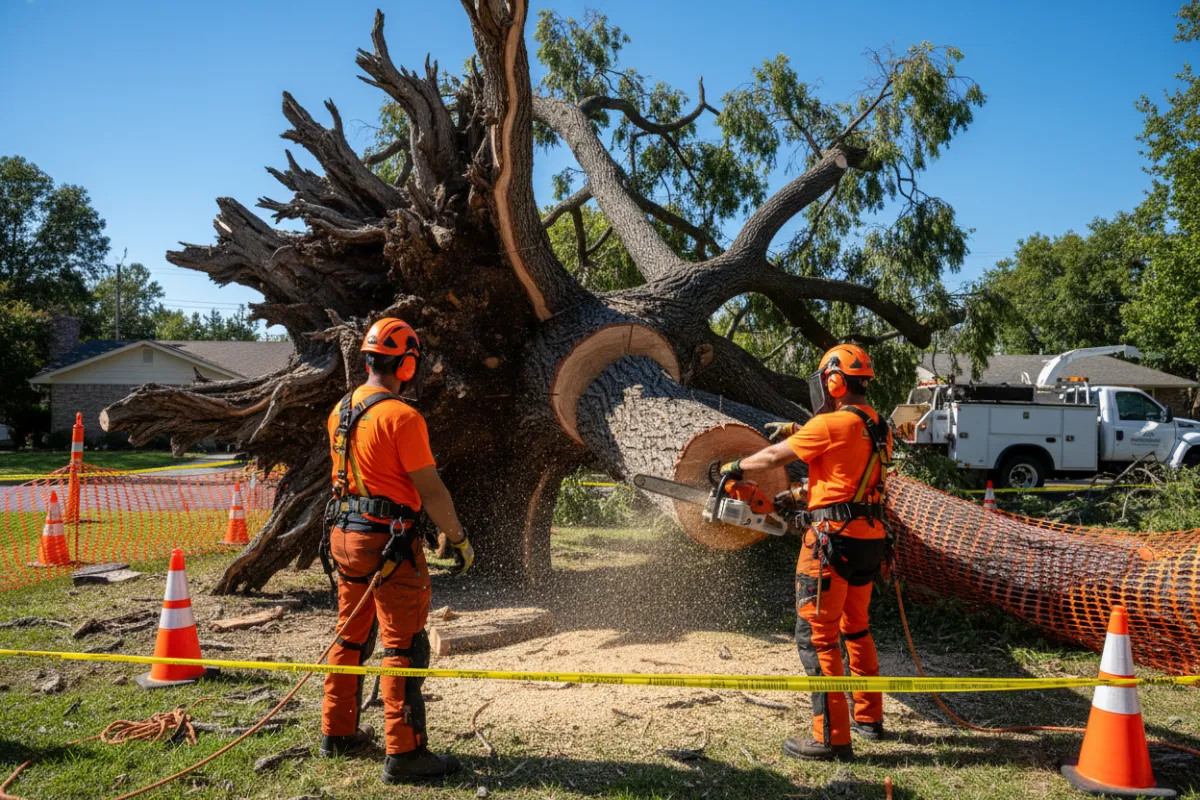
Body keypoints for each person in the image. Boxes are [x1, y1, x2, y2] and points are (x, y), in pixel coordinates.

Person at [719, 343, 891, 762]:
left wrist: (736, 467)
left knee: (817, 638)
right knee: (856, 629)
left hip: (831, 542)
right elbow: (846, 463)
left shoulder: (831, 423)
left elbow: (775, 455)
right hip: (869, 539)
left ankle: (831, 737)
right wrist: (800, 432)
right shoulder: (876, 423)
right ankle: (869, 719)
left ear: (834, 380)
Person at [320, 317, 475, 783]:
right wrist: (460, 539)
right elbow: (431, 491)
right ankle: (405, 754)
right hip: (388, 542)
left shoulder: (341, 409)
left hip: (344, 537)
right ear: (406, 365)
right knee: (403, 645)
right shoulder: (402, 417)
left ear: (369, 360)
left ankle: (337, 731)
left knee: (350, 635)